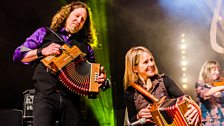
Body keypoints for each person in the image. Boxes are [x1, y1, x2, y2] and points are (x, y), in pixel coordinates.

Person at [13, 1, 108, 126]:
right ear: (67, 15)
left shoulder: (86, 47)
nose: (79, 20)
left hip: (72, 102)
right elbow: (18, 54)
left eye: (83, 19)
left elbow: (93, 75)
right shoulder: (44, 33)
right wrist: (43, 51)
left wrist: (104, 81)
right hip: (45, 97)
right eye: (77, 16)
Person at [124, 46, 200, 125]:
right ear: (135, 69)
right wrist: (138, 116)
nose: (151, 64)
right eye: (146, 62)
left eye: (151, 60)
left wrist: (193, 108)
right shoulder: (130, 91)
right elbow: (131, 120)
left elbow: (186, 100)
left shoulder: (164, 80)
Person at [195, 60, 224, 125]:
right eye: (214, 70)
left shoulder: (218, 85)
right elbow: (205, 93)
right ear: (207, 71)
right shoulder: (200, 84)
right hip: (211, 122)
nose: (217, 72)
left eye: (218, 70)